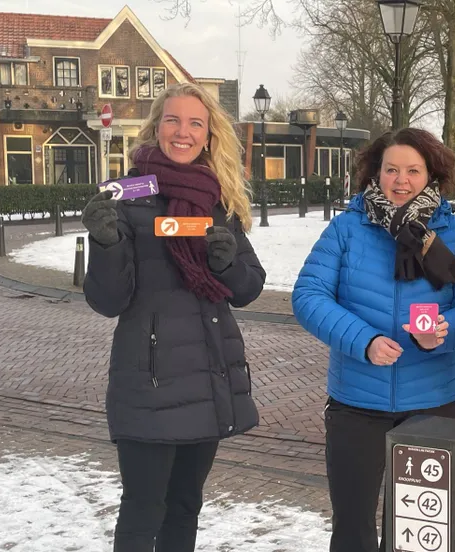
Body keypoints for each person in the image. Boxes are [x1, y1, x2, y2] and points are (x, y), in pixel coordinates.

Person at [81, 82, 266, 552]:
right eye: (173, 120)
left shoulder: (218, 200)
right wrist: (105, 245)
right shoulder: (126, 196)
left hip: (209, 380)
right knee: (143, 511)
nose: (182, 132)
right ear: (156, 127)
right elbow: (108, 301)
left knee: (186, 506)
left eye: (195, 123)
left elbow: (248, 288)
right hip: (151, 386)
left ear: (209, 135)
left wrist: (226, 264)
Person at [292, 128, 455, 552]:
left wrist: (445, 332)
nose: (401, 180)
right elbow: (308, 296)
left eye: (413, 171)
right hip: (356, 404)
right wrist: (363, 340)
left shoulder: (454, 234)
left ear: (431, 175)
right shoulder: (347, 229)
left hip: (433, 401)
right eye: (392, 169)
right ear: (375, 174)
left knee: (418, 532)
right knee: (352, 528)